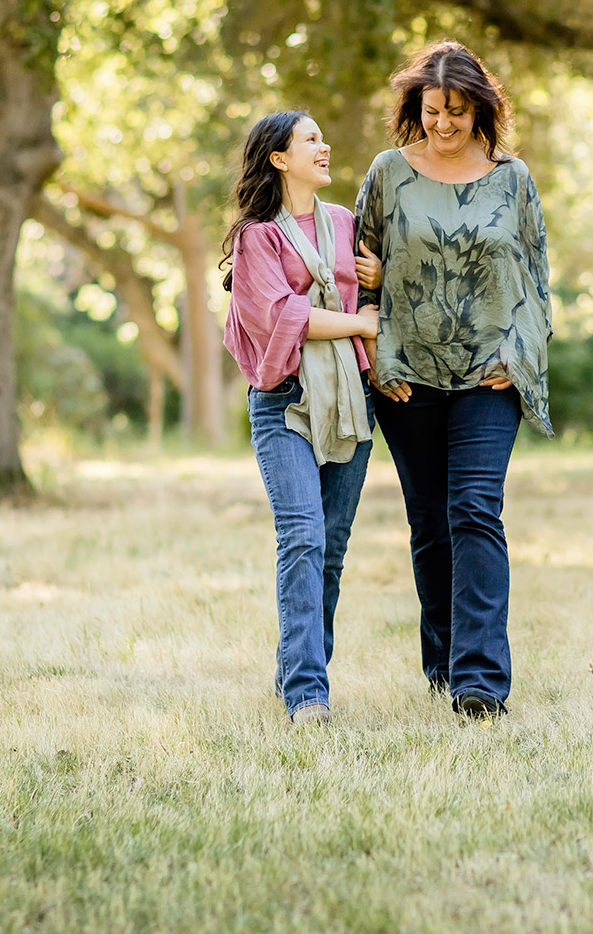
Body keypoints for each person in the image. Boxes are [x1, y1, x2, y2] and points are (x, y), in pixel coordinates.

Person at [354, 42, 552, 720]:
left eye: (458, 111)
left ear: (481, 109)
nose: (444, 123)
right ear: (416, 106)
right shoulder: (387, 174)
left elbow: (536, 278)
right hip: (406, 379)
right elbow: (358, 273)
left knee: (474, 509)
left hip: (488, 376)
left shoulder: (513, 178)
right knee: (431, 524)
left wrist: (519, 354)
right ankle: (441, 665)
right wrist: (378, 355)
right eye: (433, 109)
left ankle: (480, 681)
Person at [221, 111, 382, 727]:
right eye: (311, 138)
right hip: (284, 401)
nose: (325, 145)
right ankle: (308, 696)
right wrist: (359, 323)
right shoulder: (257, 238)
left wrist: (374, 284)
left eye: (323, 135)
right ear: (279, 158)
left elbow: (374, 295)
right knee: (303, 537)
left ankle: (303, 669)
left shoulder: (344, 224)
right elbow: (281, 317)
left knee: (332, 550)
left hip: (349, 399)